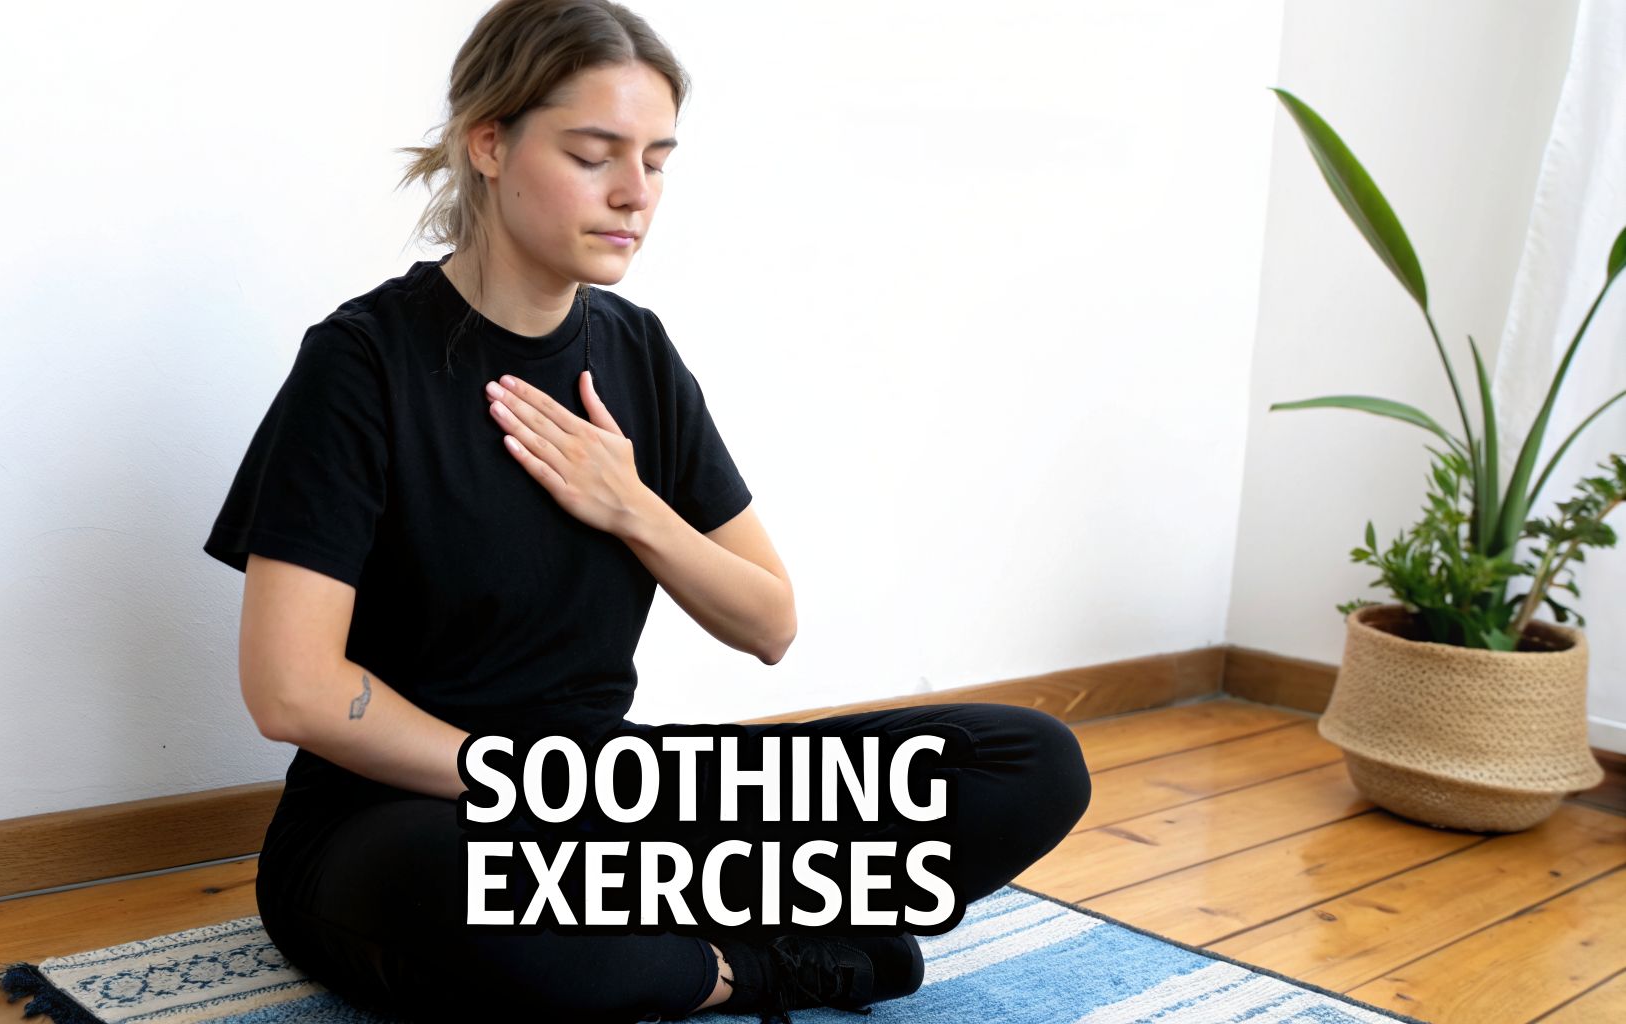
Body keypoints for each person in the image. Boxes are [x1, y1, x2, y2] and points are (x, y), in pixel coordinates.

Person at [201, 1, 1093, 1021]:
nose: (635, 194)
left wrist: (634, 509)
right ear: (488, 143)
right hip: (403, 822)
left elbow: (766, 622)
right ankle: (768, 959)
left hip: (611, 801)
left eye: (657, 160)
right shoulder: (362, 363)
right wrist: (531, 788)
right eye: (594, 154)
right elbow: (294, 692)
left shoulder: (637, 355)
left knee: (1023, 762)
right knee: (514, 919)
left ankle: (675, 942)